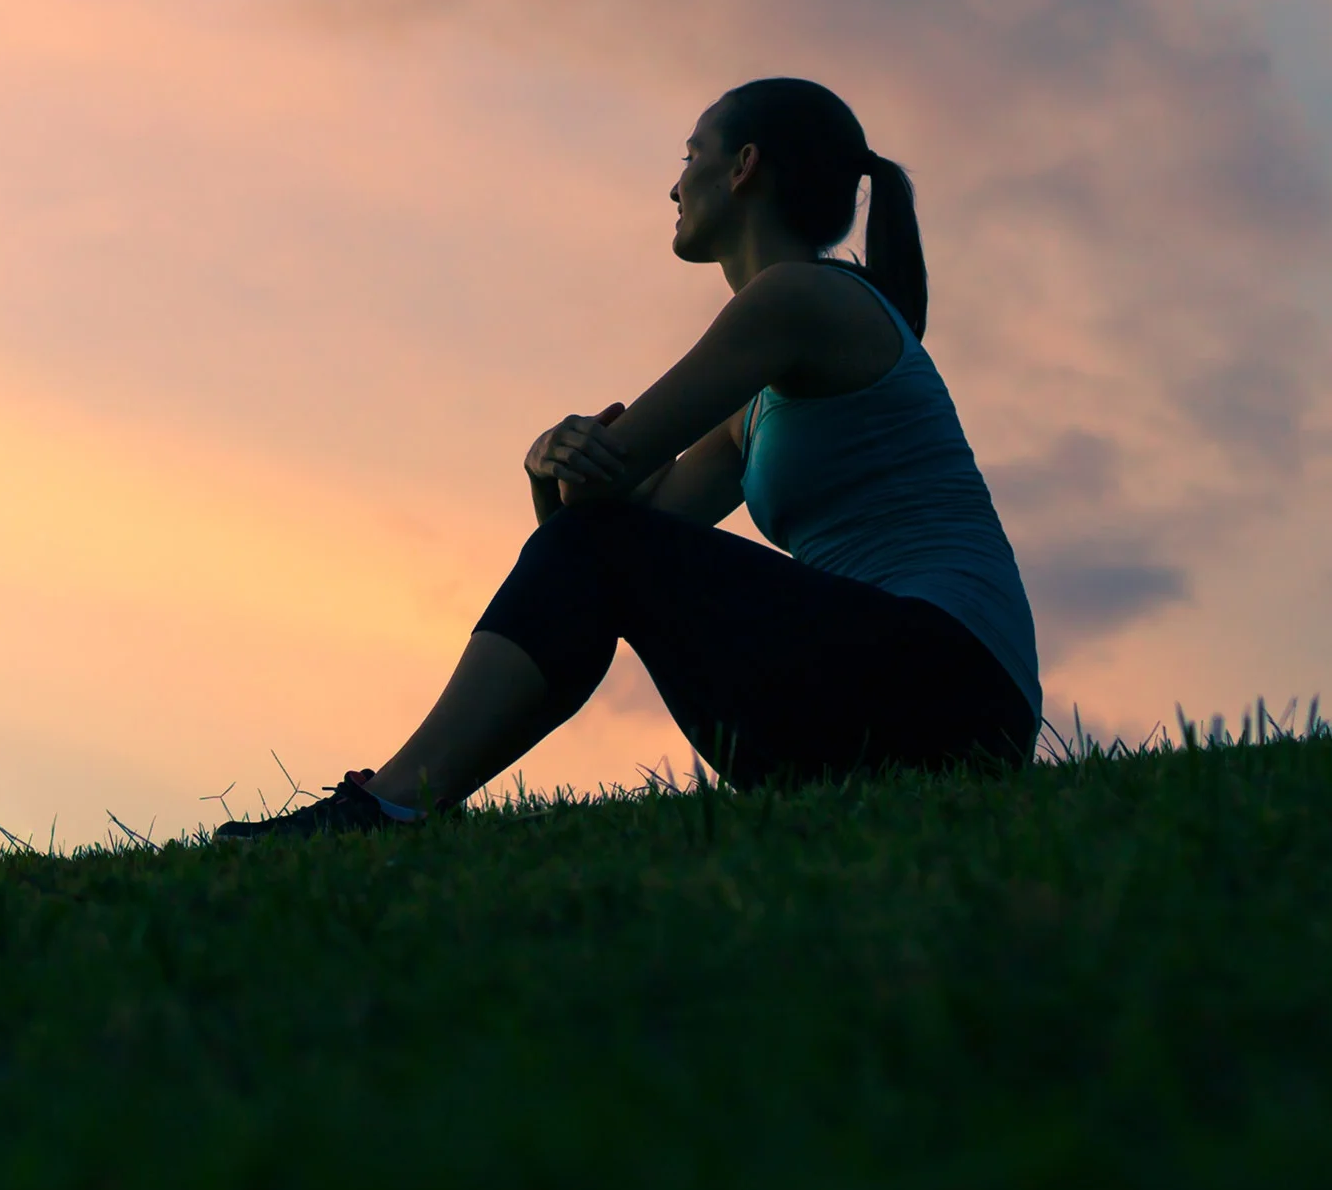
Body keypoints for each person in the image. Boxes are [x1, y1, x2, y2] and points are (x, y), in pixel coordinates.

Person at [223, 77, 1042, 840]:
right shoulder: (754, 407)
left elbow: (607, 494)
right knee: (602, 549)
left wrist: (571, 458)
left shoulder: (799, 299)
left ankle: (388, 805)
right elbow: (612, 537)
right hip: (907, 702)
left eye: (692, 157)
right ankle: (395, 804)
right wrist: (550, 472)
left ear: (745, 167)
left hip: (947, 684)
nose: (676, 186)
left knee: (601, 549)